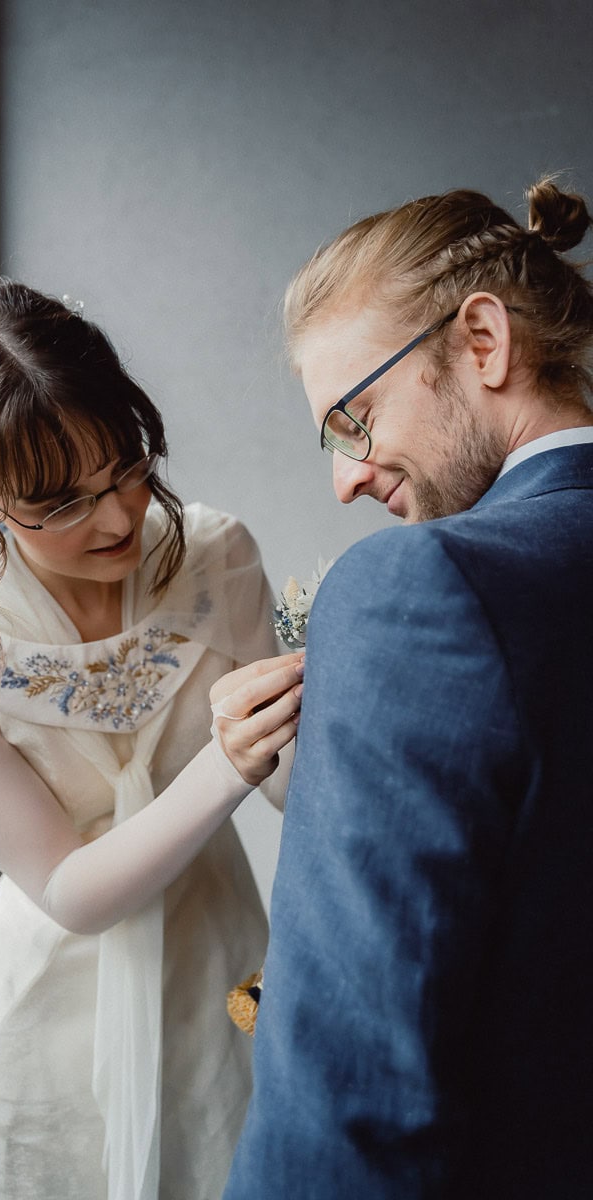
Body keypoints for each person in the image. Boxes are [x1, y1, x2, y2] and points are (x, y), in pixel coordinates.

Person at [0, 278, 301, 1200]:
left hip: (223, 956)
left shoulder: (217, 552)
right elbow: (71, 891)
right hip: (55, 994)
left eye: (127, 470)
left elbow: (287, 782)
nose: (116, 518)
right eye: (59, 503)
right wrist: (226, 759)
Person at [225, 178, 593, 1199]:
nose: (343, 479)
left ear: (480, 342)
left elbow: (348, 1094)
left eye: (355, 417)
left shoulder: (418, 585)